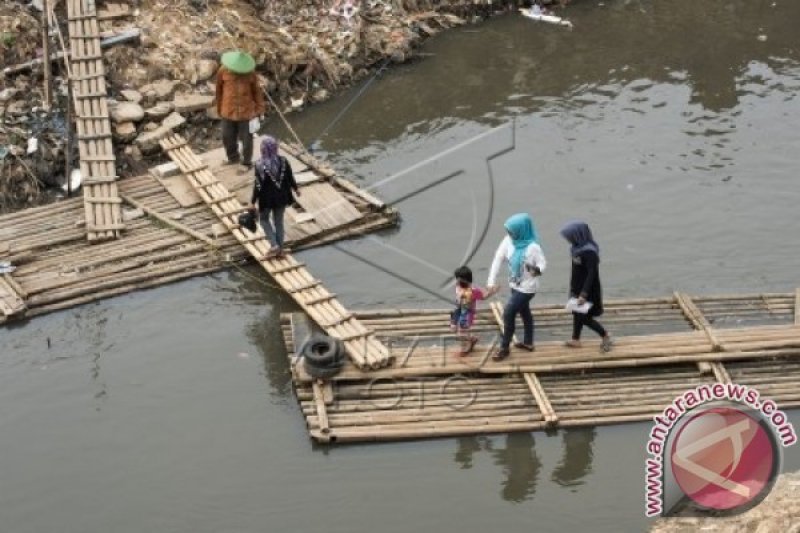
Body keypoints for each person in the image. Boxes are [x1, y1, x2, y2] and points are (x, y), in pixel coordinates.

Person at [487, 213, 547, 361]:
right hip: (514, 284)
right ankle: (528, 342)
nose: (509, 234)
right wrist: (491, 281)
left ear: (521, 230)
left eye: (512, 231)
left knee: (508, 313)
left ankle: (504, 348)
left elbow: (542, 263)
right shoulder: (508, 240)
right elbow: (498, 258)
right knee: (524, 311)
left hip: (528, 288)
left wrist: (537, 270)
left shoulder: (533, 247)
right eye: (508, 231)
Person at [560, 221, 613, 351]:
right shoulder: (575, 248)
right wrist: (573, 289)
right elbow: (576, 270)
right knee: (576, 313)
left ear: (578, 235)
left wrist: (584, 293)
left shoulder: (590, 252)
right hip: (577, 287)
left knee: (584, 317)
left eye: (570, 237)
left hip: (588, 289)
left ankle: (605, 334)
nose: (568, 239)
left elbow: (591, 274)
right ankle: (575, 339)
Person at [215, 50, 266, 174]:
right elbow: (219, 90)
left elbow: (256, 92)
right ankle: (233, 157)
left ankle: (246, 163)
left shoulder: (250, 74)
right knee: (227, 136)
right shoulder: (222, 71)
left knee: (246, 139)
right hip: (228, 110)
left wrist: (260, 109)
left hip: (246, 112)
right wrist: (219, 108)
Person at [250, 136, 300, 258]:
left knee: (263, 220)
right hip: (282, 196)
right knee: (279, 222)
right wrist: (296, 189)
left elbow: (258, 185)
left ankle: (274, 245)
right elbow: (289, 177)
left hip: (266, 199)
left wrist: (252, 201)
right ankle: (280, 249)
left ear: (263, 149)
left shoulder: (259, 165)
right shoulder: (283, 161)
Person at [450, 266, 496, 356]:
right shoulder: (458, 287)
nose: (457, 281)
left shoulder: (474, 291)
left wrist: (491, 292)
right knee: (455, 329)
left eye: (459, 279)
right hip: (457, 312)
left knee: (461, 334)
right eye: (457, 279)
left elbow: (483, 297)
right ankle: (472, 339)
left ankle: (465, 350)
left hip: (467, 316)